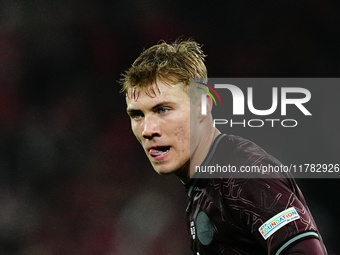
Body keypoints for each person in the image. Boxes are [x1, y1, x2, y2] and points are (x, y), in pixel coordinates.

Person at [120, 40, 327, 255]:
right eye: (137, 115)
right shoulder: (204, 185)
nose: (147, 129)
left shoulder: (243, 174)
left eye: (163, 109)